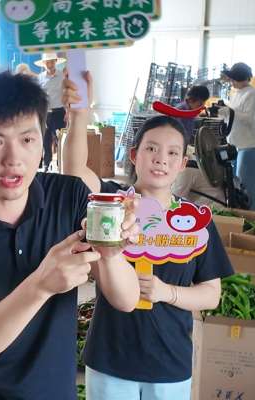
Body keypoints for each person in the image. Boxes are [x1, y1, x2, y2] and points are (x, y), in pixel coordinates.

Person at [0, 71, 140, 399]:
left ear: (43, 142)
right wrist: (41, 285)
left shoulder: (69, 197)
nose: (14, 159)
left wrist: (111, 254)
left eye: (27, 140)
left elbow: (127, 300)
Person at [62, 72, 234, 400]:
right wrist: (80, 116)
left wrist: (166, 292)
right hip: (110, 358)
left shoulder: (194, 220)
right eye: (151, 148)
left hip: (170, 363)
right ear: (134, 155)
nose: (160, 159)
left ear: (183, 163)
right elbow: (75, 170)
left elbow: (211, 295)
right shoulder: (112, 203)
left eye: (172, 153)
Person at [220, 62, 255, 209]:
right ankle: (239, 215)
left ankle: (251, 215)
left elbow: (249, 119)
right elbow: (233, 118)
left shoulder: (251, 94)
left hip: (248, 146)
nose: (232, 82)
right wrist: (224, 112)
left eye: (235, 79)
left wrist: (230, 112)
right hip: (234, 144)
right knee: (234, 184)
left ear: (244, 78)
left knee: (247, 185)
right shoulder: (236, 94)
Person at [35, 52, 66, 171]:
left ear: (55, 62)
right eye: (47, 62)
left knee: (60, 139)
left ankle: (60, 164)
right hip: (45, 113)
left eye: (52, 61)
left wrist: (68, 112)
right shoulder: (40, 78)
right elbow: (38, 96)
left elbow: (66, 94)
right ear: (44, 64)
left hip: (59, 112)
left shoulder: (62, 76)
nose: (50, 64)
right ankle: (46, 164)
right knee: (45, 139)